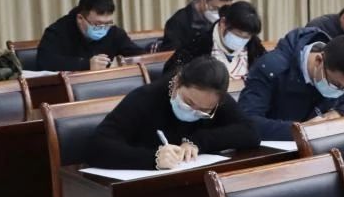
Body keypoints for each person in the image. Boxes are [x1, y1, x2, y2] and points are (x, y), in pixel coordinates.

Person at [86, 56, 259, 169]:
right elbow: (97, 147)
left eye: (203, 111)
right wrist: (153, 158)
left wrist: (198, 141)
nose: (194, 111)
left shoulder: (212, 97)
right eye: (189, 103)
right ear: (177, 83)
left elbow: (250, 132)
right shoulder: (146, 98)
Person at [238, 29, 344, 140]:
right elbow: (247, 121)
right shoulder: (271, 68)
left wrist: (341, 113)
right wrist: (303, 130)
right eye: (335, 84)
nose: (339, 91)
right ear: (319, 60)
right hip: (276, 153)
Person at [37, 0, 143, 71]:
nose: (103, 28)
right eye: (98, 24)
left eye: (107, 23)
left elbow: (138, 54)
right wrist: (86, 64)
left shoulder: (113, 32)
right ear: (80, 18)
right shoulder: (57, 32)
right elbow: (44, 61)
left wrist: (141, 57)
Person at [162, 1, 266, 80]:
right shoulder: (197, 44)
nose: (241, 41)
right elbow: (172, 77)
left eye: (246, 37)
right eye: (237, 34)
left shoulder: (254, 47)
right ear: (223, 23)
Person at [162, 0, 236, 52]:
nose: (220, 14)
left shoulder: (226, 21)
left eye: (225, 9)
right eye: (216, 8)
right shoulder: (178, 22)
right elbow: (170, 55)